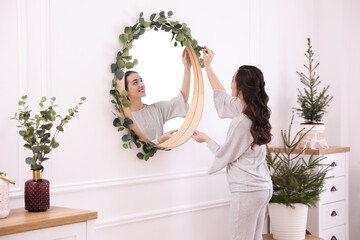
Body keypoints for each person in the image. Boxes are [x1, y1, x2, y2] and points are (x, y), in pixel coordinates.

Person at [192, 46, 273, 240]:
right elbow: (223, 99)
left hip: (247, 191)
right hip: (263, 188)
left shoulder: (241, 122)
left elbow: (225, 154)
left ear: (241, 87)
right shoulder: (255, 112)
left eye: (232, 79)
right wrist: (208, 66)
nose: (230, 83)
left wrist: (206, 140)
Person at [124, 48, 191, 144]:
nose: (141, 84)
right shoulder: (126, 119)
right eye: (135, 83)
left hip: (160, 158)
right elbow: (135, 147)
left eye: (141, 80)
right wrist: (161, 139)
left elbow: (182, 99)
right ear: (126, 91)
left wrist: (187, 67)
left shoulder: (156, 110)